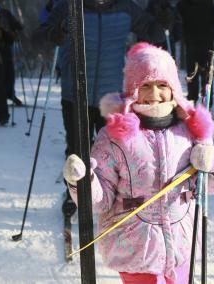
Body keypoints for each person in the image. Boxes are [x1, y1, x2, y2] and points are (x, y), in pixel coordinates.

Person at [63, 42, 214, 283]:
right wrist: (82, 181)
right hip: (135, 248)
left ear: (174, 88)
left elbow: (207, 187)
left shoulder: (189, 132)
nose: (155, 94)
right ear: (133, 89)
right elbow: (101, 201)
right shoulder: (115, 137)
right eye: (146, 85)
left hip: (181, 246)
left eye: (162, 85)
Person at [32, 0, 174, 216]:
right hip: (75, 93)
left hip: (112, 96)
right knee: (77, 150)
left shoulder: (126, 7)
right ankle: (75, 195)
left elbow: (154, 33)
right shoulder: (69, 6)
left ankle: (110, 196)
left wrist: (165, 17)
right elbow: (40, 37)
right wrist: (56, 33)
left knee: (114, 152)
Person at [177, 0, 214, 108]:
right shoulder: (209, 3)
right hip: (207, 43)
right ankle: (207, 106)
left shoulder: (184, 4)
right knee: (207, 76)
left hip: (192, 43)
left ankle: (192, 103)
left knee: (192, 76)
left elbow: (179, 14)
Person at [0, 6, 23, 106]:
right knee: (0, 72)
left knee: (9, 72)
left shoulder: (5, 12)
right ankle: (1, 96)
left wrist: (17, 26)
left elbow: (18, 25)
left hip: (7, 46)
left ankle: (10, 93)